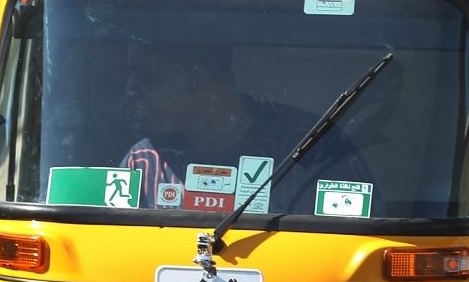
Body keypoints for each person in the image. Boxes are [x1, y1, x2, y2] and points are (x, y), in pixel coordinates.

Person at [119, 42, 368, 211]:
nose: (131, 91)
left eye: (146, 78)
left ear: (194, 78)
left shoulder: (313, 145)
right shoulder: (144, 160)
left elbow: (360, 241)